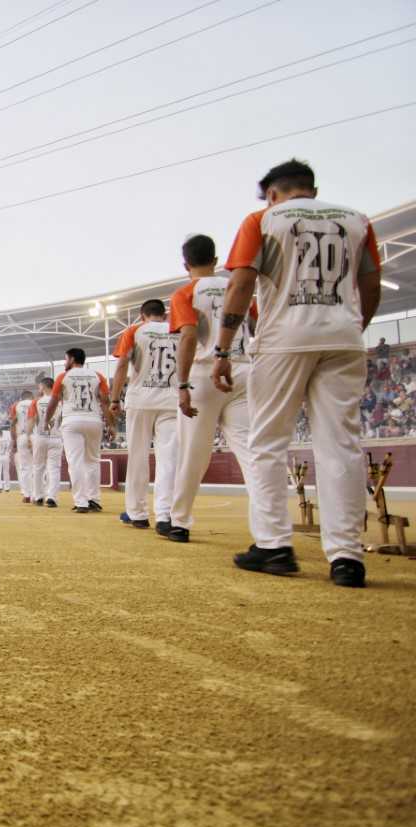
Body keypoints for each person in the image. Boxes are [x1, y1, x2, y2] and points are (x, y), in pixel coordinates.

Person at [213, 159, 381, 587]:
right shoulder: (357, 220)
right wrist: (353, 327)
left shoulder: (262, 219)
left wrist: (223, 349)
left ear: (271, 193)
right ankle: (346, 556)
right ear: (312, 189)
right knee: (341, 444)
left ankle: (273, 546)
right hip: (342, 335)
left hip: (284, 337)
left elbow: (241, 284)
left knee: (268, 439)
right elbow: (371, 284)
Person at [164, 235, 258, 544]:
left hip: (205, 372)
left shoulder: (186, 293)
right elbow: (256, 326)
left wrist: (181, 385)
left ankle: (179, 521)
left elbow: (189, 338)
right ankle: (269, 529)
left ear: (185, 264)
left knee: (193, 452)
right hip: (243, 369)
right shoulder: (238, 286)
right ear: (215, 260)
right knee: (250, 451)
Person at [110, 299, 178, 531]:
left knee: (138, 457)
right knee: (168, 459)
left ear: (142, 315)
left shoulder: (134, 331)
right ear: (164, 315)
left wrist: (114, 398)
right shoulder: (177, 329)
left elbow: (121, 366)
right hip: (171, 399)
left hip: (140, 399)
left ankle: (137, 513)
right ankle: (165, 514)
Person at [45, 348, 114, 513]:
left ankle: (81, 501)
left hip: (72, 420)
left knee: (75, 462)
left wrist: (46, 420)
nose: (64, 362)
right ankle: (94, 499)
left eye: (65, 359)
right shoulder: (98, 376)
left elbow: (53, 402)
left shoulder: (63, 377)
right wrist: (112, 425)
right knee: (93, 461)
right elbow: (105, 402)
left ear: (72, 359)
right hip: (93, 420)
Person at [26, 377, 62, 508]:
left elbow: (32, 420)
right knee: (54, 468)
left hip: (40, 437)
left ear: (44, 386)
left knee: (38, 467)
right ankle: (51, 497)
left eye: (40, 386)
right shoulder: (60, 402)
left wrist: (28, 437)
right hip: (56, 437)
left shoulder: (36, 402)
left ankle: (38, 496)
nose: (39, 389)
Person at [7, 389, 35, 503]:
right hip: (36, 435)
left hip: (22, 436)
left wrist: (13, 440)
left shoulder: (15, 405)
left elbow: (12, 424)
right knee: (38, 467)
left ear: (22, 398)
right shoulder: (36, 402)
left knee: (24, 467)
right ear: (31, 396)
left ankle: (26, 494)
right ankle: (39, 494)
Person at [0, 423, 12, 493]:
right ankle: (7, 487)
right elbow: (10, 446)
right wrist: (8, 453)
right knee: (6, 472)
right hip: (6, 456)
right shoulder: (7, 438)